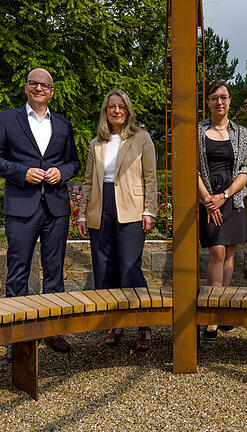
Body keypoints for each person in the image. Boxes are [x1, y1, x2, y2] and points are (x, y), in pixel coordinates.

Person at [0, 68, 81, 357]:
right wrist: (22, 172)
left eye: (45, 85)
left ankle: (52, 331)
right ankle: (18, 338)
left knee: (55, 273)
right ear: (26, 88)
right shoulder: (6, 119)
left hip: (56, 207)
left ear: (52, 91)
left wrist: (60, 172)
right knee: (18, 272)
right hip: (21, 207)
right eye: (34, 83)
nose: (39, 88)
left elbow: (74, 162)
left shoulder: (63, 125)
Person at [77, 89, 157, 351]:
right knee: (105, 266)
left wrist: (149, 210)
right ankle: (116, 322)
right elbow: (88, 181)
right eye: (111, 106)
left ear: (128, 110)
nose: (116, 111)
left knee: (129, 266)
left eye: (121, 106)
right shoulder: (96, 143)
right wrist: (81, 212)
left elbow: (150, 179)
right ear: (105, 111)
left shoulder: (141, 138)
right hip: (101, 207)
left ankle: (143, 324)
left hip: (132, 208)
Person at [198, 80, 247, 340]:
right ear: (208, 102)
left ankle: (223, 309)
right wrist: (209, 198)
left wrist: (225, 196)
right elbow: (192, 168)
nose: (219, 102)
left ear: (230, 101)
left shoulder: (242, 132)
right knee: (217, 252)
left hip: (232, 198)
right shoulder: (197, 131)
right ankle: (211, 312)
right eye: (214, 98)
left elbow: (246, 169)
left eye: (224, 97)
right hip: (208, 198)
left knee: (230, 252)